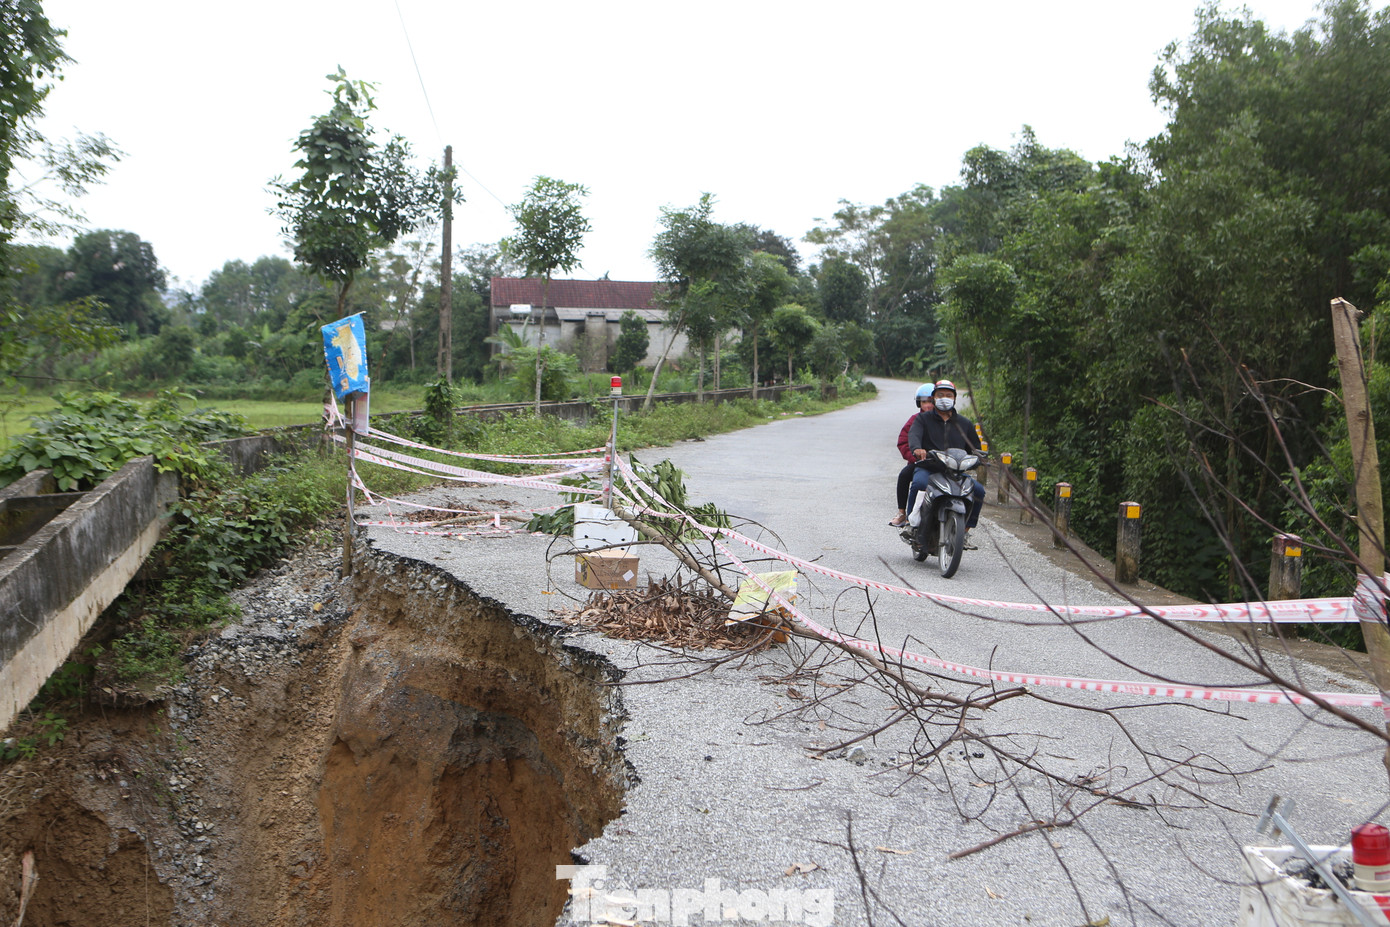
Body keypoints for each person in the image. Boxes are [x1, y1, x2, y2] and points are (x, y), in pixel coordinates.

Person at [906, 379, 986, 545]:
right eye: (940, 395)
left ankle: (964, 531)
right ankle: (910, 523)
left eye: (949, 395)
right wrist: (917, 449)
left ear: (955, 399)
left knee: (978, 491)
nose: (944, 398)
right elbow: (914, 436)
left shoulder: (965, 424)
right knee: (919, 483)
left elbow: (975, 448)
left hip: (955, 472)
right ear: (934, 397)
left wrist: (980, 457)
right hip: (929, 468)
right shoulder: (923, 419)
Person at [890, 384, 934, 526]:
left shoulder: (945, 421)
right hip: (918, 464)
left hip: (941, 463)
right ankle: (903, 512)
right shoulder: (914, 420)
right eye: (924, 402)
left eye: (931, 401)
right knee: (904, 475)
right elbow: (903, 442)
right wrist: (914, 457)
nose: (928, 405)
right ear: (919, 403)